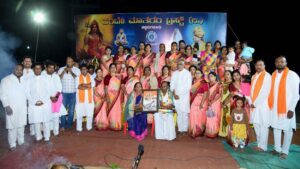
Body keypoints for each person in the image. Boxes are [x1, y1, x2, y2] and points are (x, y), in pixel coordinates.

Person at [269, 56, 300, 159]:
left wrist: (291, 109)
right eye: (277, 61)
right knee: (276, 128)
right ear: (275, 63)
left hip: (286, 108)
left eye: (282, 61)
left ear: (286, 63)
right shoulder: (273, 74)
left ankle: (285, 151)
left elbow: (296, 94)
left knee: (287, 130)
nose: (279, 63)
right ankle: (277, 148)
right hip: (275, 108)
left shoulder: (292, 75)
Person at [0, 64, 27, 150]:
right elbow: (2, 95)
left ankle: (21, 141)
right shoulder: (6, 80)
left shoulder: (24, 80)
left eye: (21, 70)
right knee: (12, 126)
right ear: (13, 70)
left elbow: (26, 93)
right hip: (11, 107)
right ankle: (12, 144)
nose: (19, 71)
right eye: (17, 69)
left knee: (21, 125)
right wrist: (6, 106)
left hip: (22, 106)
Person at [26, 62, 52, 141]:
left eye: (39, 68)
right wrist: (34, 102)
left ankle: (47, 136)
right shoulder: (29, 79)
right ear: (33, 70)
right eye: (36, 68)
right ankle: (38, 136)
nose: (37, 70)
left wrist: (43, 101)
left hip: (45, 103)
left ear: (41, 69)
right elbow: (27, 92)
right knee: (36, 120)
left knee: (46, 120)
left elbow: (49, 91)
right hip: (33, 104)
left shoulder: (46, 78)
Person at [250, 60, 271, 152]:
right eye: (257, 65)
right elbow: (251, 91)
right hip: (254, 105)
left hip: (263, 105)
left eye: (260, 65)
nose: (258, 66)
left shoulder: (267, 76)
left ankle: (263, 146)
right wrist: (251, 102)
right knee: (256, 124)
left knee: (263, 125)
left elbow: (265, 92)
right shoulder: (253, 76)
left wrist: (255, 103)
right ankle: (259, 144)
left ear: (264, 66)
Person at [44, 61, 67, 136]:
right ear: (46, 68)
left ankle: (56, 132)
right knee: (47, 116)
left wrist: (56, 97)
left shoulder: (56, 76)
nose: (51, 69)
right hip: (47, 99)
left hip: (57, 99)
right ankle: (47, 133)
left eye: (52, 68)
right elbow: (43, 89)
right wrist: (50, 97)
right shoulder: (42, 77)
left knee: (56, 116)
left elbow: (59, 87)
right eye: (49, 68)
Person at [58, 56, 80, 131]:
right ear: (66, 62)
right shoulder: (61, 69)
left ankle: (69, 124)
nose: (69, 63)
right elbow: (59, 78)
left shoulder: (77, 70)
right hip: (64, 93)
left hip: (73, 93)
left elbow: (77, 78)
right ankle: (62, 125)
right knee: (63, 110)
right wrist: (64, 71)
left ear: (73, 62)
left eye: (71, 61)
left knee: (71, 110)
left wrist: (71, 72)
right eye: (68, 61)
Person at [171, 60, 192, 135]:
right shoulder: (174, 73)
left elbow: (188, 86)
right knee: (179, 112)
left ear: (184, 65)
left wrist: (179, 94)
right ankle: (180, 129)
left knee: (184, 113)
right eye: (178, 64)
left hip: (184, 97)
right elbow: (172, 84)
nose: (179, 65)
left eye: (181, 64)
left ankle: (185, 129)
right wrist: (174, 94)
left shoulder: (187, 73)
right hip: (176, 96)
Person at [189, 69, 209, 137]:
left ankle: (199, 132)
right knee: (193, 115)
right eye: (196, 73)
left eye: (198, 73)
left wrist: (202, 103)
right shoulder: (193, 82)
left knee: (200, 116)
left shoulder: (204, 82)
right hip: (194, 101)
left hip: (201, 100)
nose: (197, 74)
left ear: (201, 74)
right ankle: (193, 131)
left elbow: (206, 93)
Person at [75, 64, 95, 132]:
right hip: (80, 100)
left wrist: (83, 84)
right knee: (79, 114)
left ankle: (89, 127)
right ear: (80, 70)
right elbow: (78, 87)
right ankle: (79, 128)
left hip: (89, 100)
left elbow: (91, 85)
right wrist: (87, 85)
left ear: (87, 70)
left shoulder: (91, 77)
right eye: (82, 69)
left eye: (85, 69)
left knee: (89, 114)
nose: (84, 71)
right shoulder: (77, 77)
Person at [103, 63, 123, 130]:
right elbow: (105, 88)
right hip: (110, 96)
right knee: (111, 110)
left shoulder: (119, 76)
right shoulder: (107, 77)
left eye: (114, 67)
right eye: (112, 67)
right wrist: (107, 97)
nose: (113, 69)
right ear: (109, 69)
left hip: (117, 96)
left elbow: (120, 87)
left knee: (117, 110)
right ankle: (111, 124)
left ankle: (117, 124)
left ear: (116, 68)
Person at [21, 56, 35, 136]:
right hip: (21, 96)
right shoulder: (18, 71)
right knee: (22, 113)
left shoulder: (34, 72)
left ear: (31, 63)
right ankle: (21, 130)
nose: (27, 62)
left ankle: (32, 130)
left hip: (31, 96)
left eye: (29, 61)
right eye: (26, 61)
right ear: (23, 62)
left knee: (31, 112)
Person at [205, 72, 221, 138]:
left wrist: (213, 101)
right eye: (209, 76)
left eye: (212, 76)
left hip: (216, 102)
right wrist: (208, 101)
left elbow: (220, 94)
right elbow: (206, 94)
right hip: (209, 102)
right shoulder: (208, 85)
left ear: (215, 77)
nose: (210, 78)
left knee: (214, 117)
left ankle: (215, 132)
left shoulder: (218, 84)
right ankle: (209, 132)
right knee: (209, 117)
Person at [218, 70, 232, 137]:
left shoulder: (232, 83)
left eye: (228, 74)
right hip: (222, 100)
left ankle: (227, 132)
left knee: (227, 116)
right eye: (225, 74)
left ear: (231, 75)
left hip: (228, 101)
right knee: (223, 116)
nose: (226, 75)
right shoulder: (223, 82)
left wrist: (227, 101)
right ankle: (222, 132)